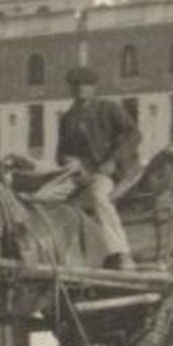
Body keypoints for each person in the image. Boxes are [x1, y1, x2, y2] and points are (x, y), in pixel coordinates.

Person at [56, 65, 140, 270]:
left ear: (93, 88)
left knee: (98, 196)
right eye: (75, 85)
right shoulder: (67, 118)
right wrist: (67, 160)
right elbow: (60, 152)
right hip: (78, 176)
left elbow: (134, 134)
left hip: (109, 173)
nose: (80, 90)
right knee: (54, 202)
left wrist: (113, 160)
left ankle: (120, 252)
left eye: (85, 85)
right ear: (70, 88)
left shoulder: (108, 109)